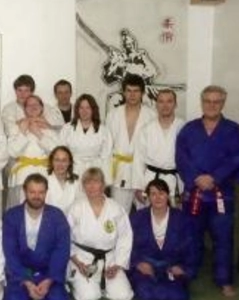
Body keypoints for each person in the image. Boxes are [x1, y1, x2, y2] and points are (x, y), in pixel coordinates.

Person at [176, 85, 239, 296]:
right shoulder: (189, 129)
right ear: (201, 102)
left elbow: (237, 158)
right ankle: (189, 271)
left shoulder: (234, 130)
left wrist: (214, 177)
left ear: (223, 103)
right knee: (191, 236)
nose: (211, 105)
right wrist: (196, 177)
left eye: (216, 101)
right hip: (194, 192)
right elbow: (181, 157)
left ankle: (224, 279)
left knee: (223, 238)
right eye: (207, 101)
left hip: (221, 194)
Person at [2, 174, 71, 300]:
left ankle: (42, 293)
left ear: (46, 192)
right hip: (22, 272)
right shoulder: (12, 216)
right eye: (32, 192)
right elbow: (10, 252)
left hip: (47, 272)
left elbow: (62, 250)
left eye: (41, 192)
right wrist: (27, 282)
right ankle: (30, 293)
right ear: (25, 191)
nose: (36, 196)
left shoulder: (57, 216)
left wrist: (49, 281)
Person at [67, 168, 133, 300]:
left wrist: (117, 265)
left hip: (109, 261)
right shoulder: (75, 208)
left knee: (123, 297)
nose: (91, 186)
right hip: (82, 260)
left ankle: (102, 283)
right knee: (89, 298)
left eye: (95, 182)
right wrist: (78, 263)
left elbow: (125, 237)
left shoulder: (116, 208)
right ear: (83, 186)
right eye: (87, 183)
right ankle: (74, 279)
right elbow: (65, 238)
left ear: (103, 185)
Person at [129, 180, 197, 300]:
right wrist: (138, 264)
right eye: (153, 194)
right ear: (148, 197)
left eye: (161, 193)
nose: (157, 197)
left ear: (168, 195)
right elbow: (128, 247)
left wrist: (184, 269)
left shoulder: (182, 219)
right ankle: (157, 288)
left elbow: (191, 247)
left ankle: (164, 288)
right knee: (146, 296)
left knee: (179, 298)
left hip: (171, 267)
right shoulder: (137, 218)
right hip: (146, 267)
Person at [104, 74, 157, 213]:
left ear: (142, 93)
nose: (132, 95)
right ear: (123, 92)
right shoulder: (113, 115)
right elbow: (107, 148)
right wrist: (107, 176)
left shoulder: (152, 116)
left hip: (144, 172)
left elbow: (154, 148)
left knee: (145, 215)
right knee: (118, 214)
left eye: (136, 91)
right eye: (129, 90)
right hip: (119, 172)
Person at [131, 89, 185, 207]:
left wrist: (187, 188)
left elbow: (190, 161)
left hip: (174, 182)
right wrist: (138, 187)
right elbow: (138, 160)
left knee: (173, 220)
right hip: (150, 181)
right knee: (149, 220)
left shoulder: (184, 128)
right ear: (156, 105)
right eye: (161, 102)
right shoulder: (147, 129)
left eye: (169, 101)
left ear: (175, 104)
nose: (165, 105)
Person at [6, 95, 60, 208]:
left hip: (45, 174)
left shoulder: (49, 129)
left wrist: (39, 134)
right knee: (22, 211)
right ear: (24, 109)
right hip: (22, 176)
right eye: (29, 105)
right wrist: (22, 132)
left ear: (42, 108)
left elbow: (57, 153)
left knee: (45, 210)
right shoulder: (16, 128)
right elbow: (12, 152)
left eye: (36, 104)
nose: (33, 107)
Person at [60, 94, 112, 182]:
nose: (84, 111)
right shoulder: (67, 128)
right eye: (81, 108)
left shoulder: (103, 130)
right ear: (77, 110)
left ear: (93, 110)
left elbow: (106, 157)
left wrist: (105, 180)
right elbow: (61, 153)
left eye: (88, 108)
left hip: (95, 171)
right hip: (73, 171)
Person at [45, 146, 81, 214]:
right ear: (51, 162)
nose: (60, 164)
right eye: (57, 160)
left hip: (71, 222)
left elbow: (80, 207)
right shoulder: (44, 182)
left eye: (64, 160)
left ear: (69, 162)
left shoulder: (77, 182)